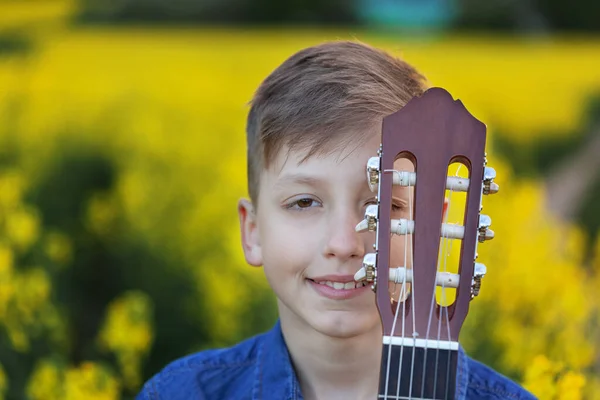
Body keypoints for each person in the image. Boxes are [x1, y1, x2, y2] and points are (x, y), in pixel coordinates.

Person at [136, 41, 535, 400]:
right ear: (252, 232)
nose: (345, 244)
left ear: (434, 232)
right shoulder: (178, 393)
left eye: (386, 206)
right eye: (305, 202)